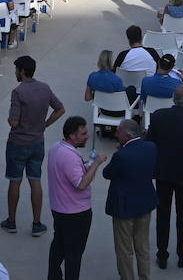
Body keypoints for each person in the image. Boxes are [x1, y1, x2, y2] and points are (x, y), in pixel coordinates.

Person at [3, 55, 66, 236]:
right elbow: (60, 109)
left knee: (15, 181)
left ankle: (11, 221)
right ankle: (37, 223)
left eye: (16, 69)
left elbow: (14, 122)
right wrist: (44, 124)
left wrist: (10, 118)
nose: (15, 72)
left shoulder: (18, 92)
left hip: (18, 143)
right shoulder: (44, 88)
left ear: (22, 71)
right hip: (37, 141)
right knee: (35, 181)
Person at [144, 83, 183, 270]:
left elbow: (149, 143)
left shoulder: (159, 116)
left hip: (163, 173)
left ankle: (162, 255)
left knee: (163, 215)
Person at [46, 116, 105, 280]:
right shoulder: (70, 156)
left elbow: (70, 174)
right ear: (72, 136)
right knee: (73, 255)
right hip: (75, 214)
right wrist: (96, 163)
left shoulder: (56, 148)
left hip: (59, 210)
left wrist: (87, 165)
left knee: (58, 248)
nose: (87, 136)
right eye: (83, 133)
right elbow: (80, 184)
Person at [104, 119, 158, 280]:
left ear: (127, 136)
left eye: (118, 131)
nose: (115, 133)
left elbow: (107, 173)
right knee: (142, 247)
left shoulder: (121, 156)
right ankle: (145, 276)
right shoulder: (151, 147)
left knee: (124, 249)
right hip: (145, 203)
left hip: (124, 207)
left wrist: (119, 152)